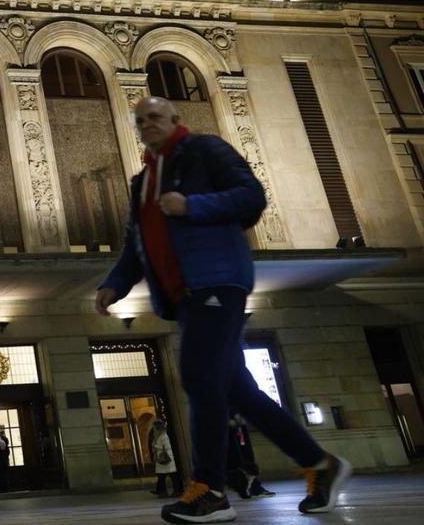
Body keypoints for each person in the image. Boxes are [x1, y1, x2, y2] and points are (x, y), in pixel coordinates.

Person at [96, 96, 351, 523]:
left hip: (216, 283)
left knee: (197, 375)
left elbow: (251, 197)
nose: (147, 125)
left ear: (176, 119)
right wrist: (115, 283)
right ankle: (321, 465)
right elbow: (135, 245)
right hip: (183, 296)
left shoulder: (205, 150)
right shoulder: (142, 182)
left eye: (155, 117)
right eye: (140, 121)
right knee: (237, 391)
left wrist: (192, 205)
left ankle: (210, 489)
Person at [149, 420, 183, 499]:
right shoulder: (158, 435)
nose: (153, 428)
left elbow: (167, 447)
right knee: (163, 476)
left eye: (154, 427)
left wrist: (155, 446)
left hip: (166, 459)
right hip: (161, 460)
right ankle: (163, 491)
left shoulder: (164, 436)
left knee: (170, 476)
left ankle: (175, 491)